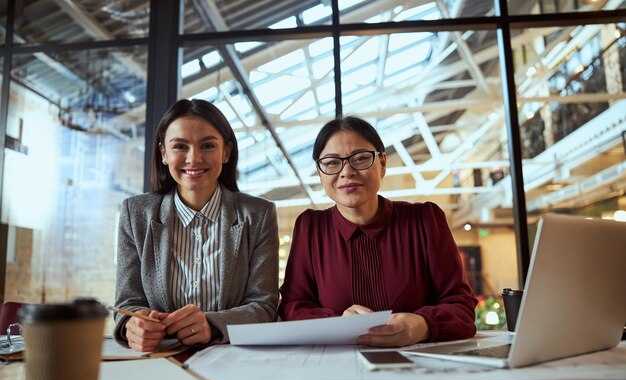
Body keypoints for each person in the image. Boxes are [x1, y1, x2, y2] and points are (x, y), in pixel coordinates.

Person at [278, 116, 477, 347]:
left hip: (416, 366)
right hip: (336, 367)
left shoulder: (424, 220)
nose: (347, 172)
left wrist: (422, 324)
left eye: (360, 159)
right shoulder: (311, 228)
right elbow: (293, 306)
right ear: (320, 173)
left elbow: (461, 306)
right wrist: (337, 323)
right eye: (332, 163)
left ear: (382, 163)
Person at [114, 99, 279, 351]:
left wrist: (213, 324)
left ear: (226, 152)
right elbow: (128, 301)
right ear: (164, 153)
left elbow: (264, 306)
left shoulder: (258, 215)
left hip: (232, 356)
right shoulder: (135, 214)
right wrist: (132, 324)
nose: (194, 158)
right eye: (180, 146)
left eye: (208, 145)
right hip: (160, 358)